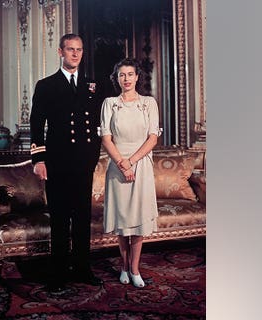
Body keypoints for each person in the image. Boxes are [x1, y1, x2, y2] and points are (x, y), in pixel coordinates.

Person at [29, 33, 104, 294]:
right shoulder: (46, 85)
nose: (75, 54)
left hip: (84, 162)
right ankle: (58, 273)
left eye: (79, 50)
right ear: (60, 52)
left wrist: (94, 156)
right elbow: (36, 123)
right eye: (70, 49)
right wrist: (39, 159)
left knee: (82, 217)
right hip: (58, 162)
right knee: (60, 219)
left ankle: (83, 268)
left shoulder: (92, 85)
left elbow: (98, 125)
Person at [99, 58, 159, 288]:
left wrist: (132, 162)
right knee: (123, 220)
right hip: (117, 165)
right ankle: (123, 266)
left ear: (137, 77)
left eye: (130, 74)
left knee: (139, 221)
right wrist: (122, 164)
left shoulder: (148, 103)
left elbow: (153, 137)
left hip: (141, 165)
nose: (126, 79)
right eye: (122, 74)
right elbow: (106, 137)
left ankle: (135, 269)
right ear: (117, 78)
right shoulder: (110, 103)